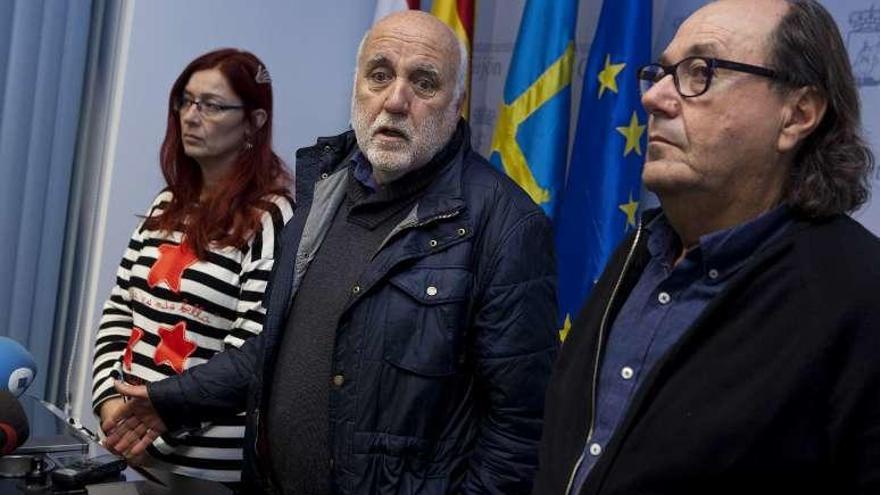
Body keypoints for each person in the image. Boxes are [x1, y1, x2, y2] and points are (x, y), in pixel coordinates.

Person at [103, 11, 558, 495]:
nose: (396, 100)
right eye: (379, 75)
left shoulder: (507, 226)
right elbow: (278, 347)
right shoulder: (325, 188)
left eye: (424, 83)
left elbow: (519, 430)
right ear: (356, 84)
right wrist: (170, 401)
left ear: (457, 102)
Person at [533, 1, 880, 494]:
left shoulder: (859, 294)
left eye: (702, 72)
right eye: (660, 72)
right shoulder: (634, 251)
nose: (654, 98)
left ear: (796, 115)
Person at [91, 48, 294, 484]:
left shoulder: (272, 218)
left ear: (254, 123)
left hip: (201, 468)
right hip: (125, 446)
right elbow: (118, 314)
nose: (191, 115)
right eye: (186, 100)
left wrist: (154, 425)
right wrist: (109, 404)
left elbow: (246, 354)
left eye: (213, 105)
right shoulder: (166, 204)